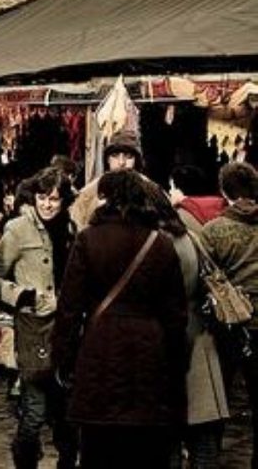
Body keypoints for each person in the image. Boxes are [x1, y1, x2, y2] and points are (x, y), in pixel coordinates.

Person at [52, 170, 188, 469]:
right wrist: (176, 364)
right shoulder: (161, 243)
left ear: (105, 198)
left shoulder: (89, 239)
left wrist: (63, 359)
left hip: (100, 347)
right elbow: (176, 314)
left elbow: (69, 308)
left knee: (98, 445)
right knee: (146, 448)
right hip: (149, 351)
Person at [0, 167, 77, 469]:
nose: (48, 205)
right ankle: (25, 460)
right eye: (42, 198)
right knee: (35, 406)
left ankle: (67, 459)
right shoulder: (18, 229)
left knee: (66, 405)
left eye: (54, 199)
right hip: (34, 324)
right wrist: (20, 295)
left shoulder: (72, 229)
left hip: (67, 325)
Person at [144, 180, 228, 469]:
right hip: (202, 342)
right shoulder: (190, 236)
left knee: (168, 437)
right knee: (204, 434)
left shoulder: (154, 244)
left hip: (170, 342)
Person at [200, 161, 258, 468]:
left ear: (224, 191)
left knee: (218, 399)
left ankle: (210, 458)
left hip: (229, 323)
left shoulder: (214, 230)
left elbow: (205, 276)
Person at [70, 128, 143, 229]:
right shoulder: (88, 195)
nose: (121, 162)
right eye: (115, 155)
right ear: (107, 159)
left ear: (137, 160)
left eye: (128, 156)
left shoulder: (152, 193)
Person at [170, 164, 225, 236]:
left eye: (172, 187)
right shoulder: (221, 204)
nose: (170, 191)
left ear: (179, 189)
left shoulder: (180, 215)